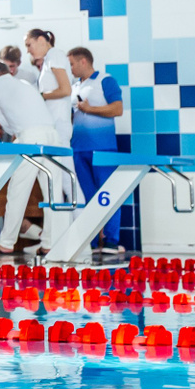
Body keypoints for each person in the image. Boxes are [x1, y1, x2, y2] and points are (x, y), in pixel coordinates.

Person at [0, 60, 62, 255]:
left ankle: (6, 242)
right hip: (53, 136)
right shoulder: (25, 84)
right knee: (52, 192)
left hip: (30, 139)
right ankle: (49, 243)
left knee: (17, 190)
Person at [68, 47, 127, 258]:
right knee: (87, 197)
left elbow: (117, 109)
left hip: (103, 148)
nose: (70, 68)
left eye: (72, 64)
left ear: (83, 61)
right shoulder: (75, 86)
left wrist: (90, 109)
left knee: (108, 194)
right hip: (79, 149)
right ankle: (92, 241)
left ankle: (111, 240)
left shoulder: (105, 80)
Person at [27, 28, 75, 214]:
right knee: (58, 182)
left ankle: (84, 229)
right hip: (53, 127)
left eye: (29, 45)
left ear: (41, 40)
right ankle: (64, 227)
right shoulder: (48, 59)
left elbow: (66, 90)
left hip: (59, 127)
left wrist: (40, 96)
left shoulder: (55, 54)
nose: (28, 50)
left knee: (67, 180)